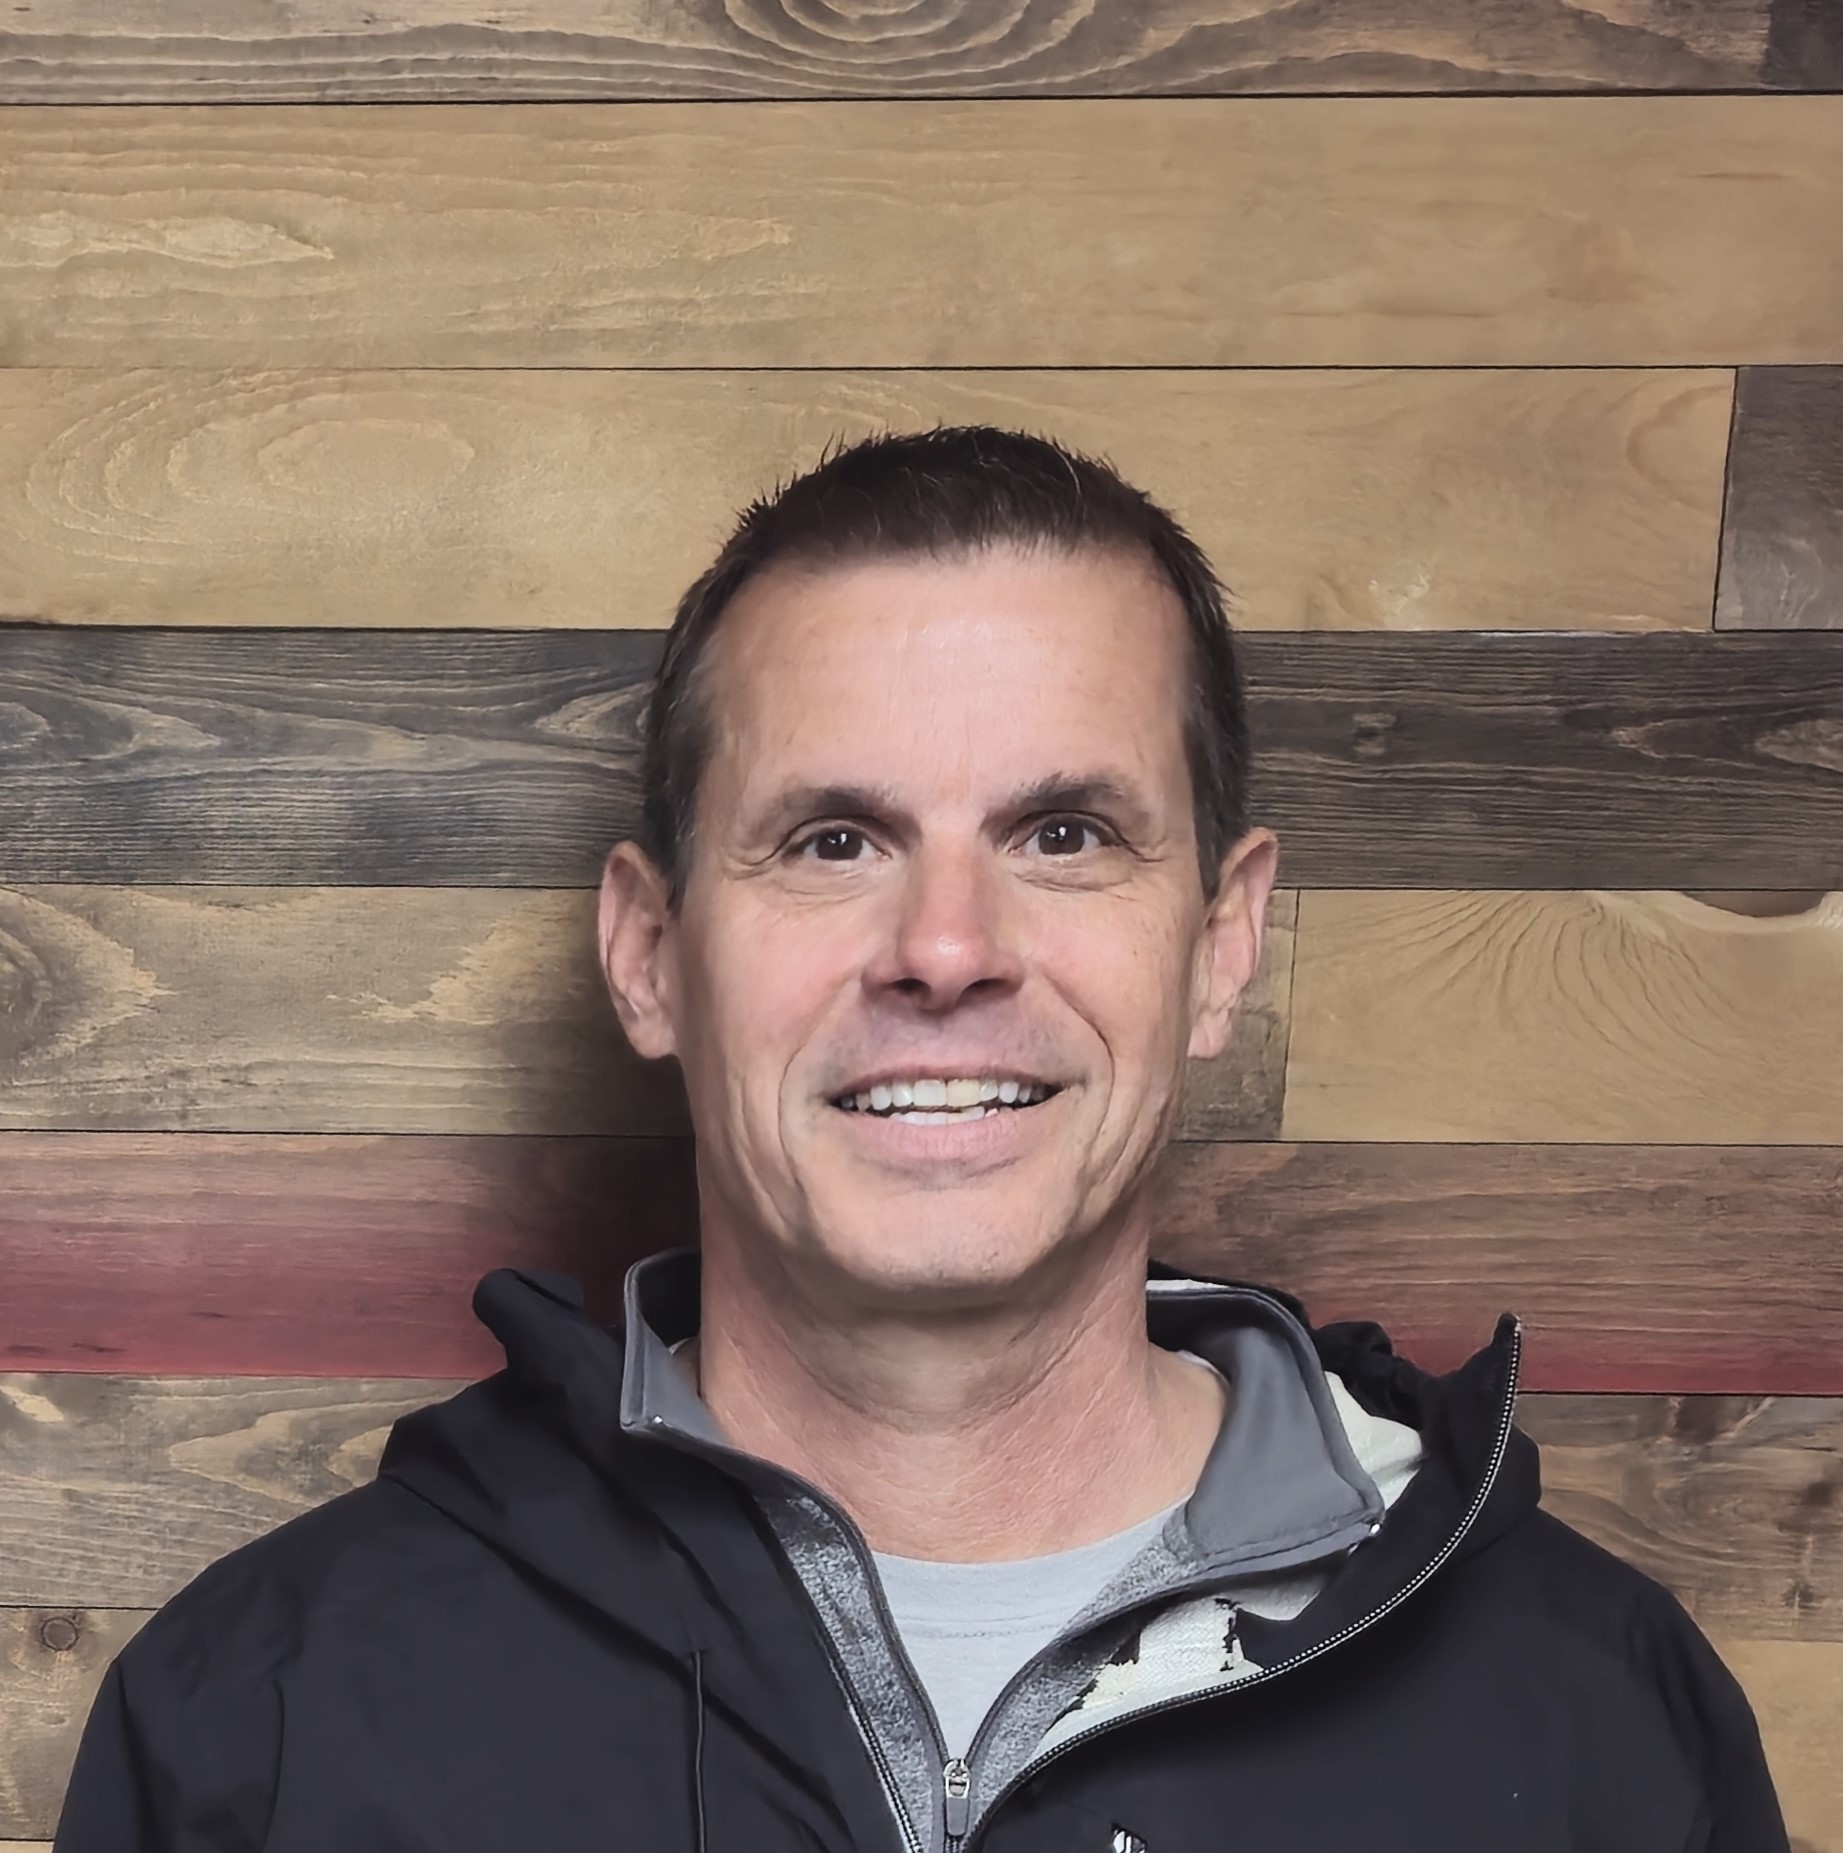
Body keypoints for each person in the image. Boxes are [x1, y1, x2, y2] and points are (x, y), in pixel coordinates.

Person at [56, 427, 1784, 1852]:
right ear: (651, 954)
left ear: (1223, 941)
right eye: (830, 841)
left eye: (1063, 830)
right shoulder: (262, 1722)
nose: (945, 947)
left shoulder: (1600, 1725)